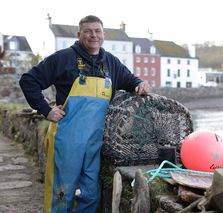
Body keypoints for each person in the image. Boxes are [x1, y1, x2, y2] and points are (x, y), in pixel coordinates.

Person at [19, 15, 151, 212]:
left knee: (90, 194)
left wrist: (141, 83)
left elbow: (132, 81)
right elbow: (28, 81)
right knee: (62, 192)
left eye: (97, 31)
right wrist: (46, 110)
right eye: (88, 31)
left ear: (103, 35)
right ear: (79, 34)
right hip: (67, 140)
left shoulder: (111, 63)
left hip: (95, 143)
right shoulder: (64, 58)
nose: (93, 35)